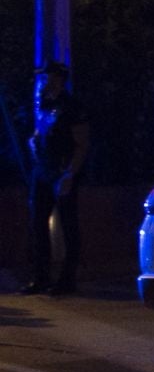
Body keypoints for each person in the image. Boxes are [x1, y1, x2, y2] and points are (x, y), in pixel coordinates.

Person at [22, 61, 91, 296]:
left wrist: (69, 174)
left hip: (62, 171)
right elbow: (42, 128)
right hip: (42, 169)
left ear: (58, 79)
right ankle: (40, 277)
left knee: (68, 224)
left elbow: (82, 143)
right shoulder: (44, 102)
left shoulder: (71, 107)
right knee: (38, 223)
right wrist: (34, 140)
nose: (43, 82)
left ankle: (67, 280)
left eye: (47, 77)